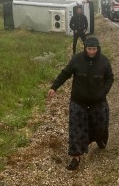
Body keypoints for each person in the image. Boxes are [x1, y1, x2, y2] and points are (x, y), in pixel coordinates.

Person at [48, 35, 114, 170]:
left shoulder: (104, 61)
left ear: (98, 49)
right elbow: (65, 73)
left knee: (100, 126)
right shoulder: (76, 59)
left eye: (94, 49)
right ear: (85, 48)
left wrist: (103, 92)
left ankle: (99, 138)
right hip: (78, 101)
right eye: (89, 49)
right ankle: (75, 156)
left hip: (98, 101)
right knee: (76, 129)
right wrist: (54, 87)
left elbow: (110, 78)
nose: (91, 52)